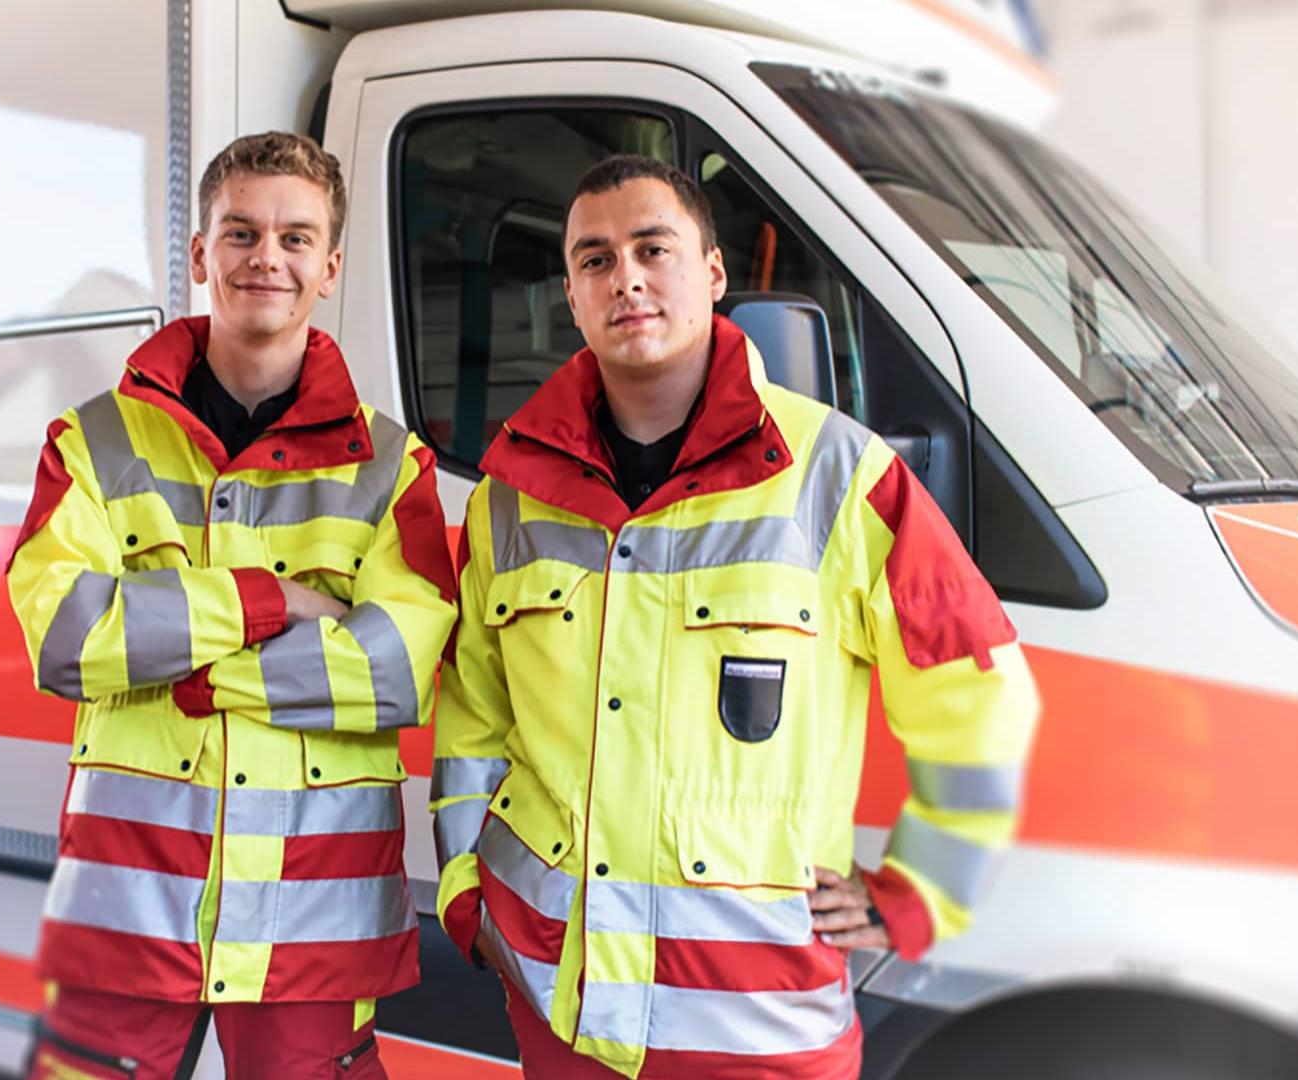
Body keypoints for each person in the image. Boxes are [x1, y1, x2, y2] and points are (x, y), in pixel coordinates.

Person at [430, 154, 1039, 1078]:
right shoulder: (509, 496)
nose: (625, 277)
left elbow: (980, 687)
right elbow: (475, 714)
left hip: (755, 1025)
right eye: (595, 260)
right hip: (561, 1002)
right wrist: (468, 892)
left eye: (652, 248)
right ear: (572, 294)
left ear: (713, 274)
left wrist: (917, 893)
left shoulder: (840, 474)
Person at [9, 132, 458, 1079]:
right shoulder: (91, 440)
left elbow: (400, 666)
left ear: (331, 265)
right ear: (200, 254)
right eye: (242, 232)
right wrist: (263, 601)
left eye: (297, 238)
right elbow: (62, 636)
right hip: (133, 901)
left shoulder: (390, 464)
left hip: (313, 913)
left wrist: (192, 669)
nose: (268, 258)